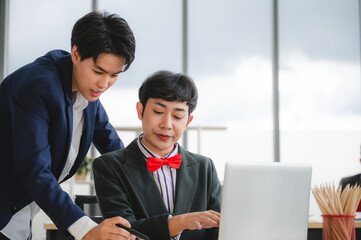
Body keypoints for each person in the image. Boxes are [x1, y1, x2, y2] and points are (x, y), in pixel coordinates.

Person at [0, 12, 137, 240]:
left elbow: (114, 149)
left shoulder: (87, 91)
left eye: (114, 75)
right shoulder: (37, 87)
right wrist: (87, 229)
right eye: (98, 71)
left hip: (20, 216)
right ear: (76, 54)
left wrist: (153, 193)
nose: (104, 84)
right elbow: (35, 171)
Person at [93, 70, 221, 240]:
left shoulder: (205, 167)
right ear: (140, 111)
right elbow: (124, 231)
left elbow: (220, 231)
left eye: (177, 116)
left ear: (188, 121)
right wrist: (181, 222)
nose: (167, 124)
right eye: (158, 112)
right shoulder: (108, 166)